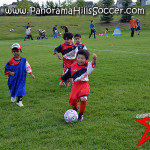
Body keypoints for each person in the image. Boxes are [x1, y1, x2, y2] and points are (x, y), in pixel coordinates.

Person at [59, 50, 97, 121]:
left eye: (82, 58)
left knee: (83, 98)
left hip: (84, 84)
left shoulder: (87, 65)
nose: (80, 60)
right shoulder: (73, 66)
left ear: (86, 59)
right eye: (78, 58)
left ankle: (81, 114)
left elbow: (93, 63)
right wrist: (62, 80)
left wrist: (94, 59)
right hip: (75, 85)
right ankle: (76, 108)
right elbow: (67, 74)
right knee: (73, 99)